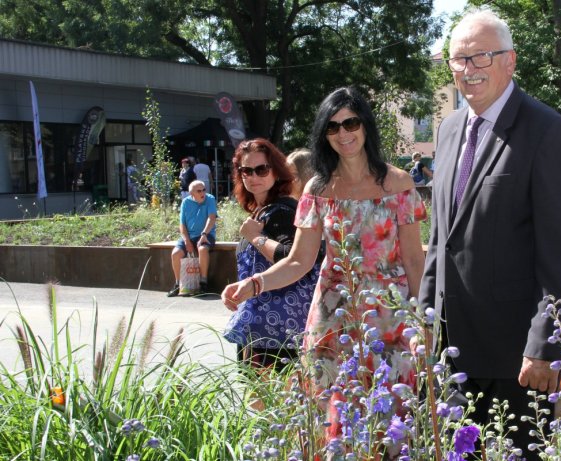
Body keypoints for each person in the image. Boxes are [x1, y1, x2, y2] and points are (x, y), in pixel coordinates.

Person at [222, 86, 427, 457]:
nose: (344, 133)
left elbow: (414, 261)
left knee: (393, 425)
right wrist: (253, 284)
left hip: (390, 319)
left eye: (350, 122)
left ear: (365, 125)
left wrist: (422, 323)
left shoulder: (399, 183)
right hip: (333, 321)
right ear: (324, 134)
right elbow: (299, 261)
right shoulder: (318, 189)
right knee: (329, 421)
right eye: (333, 127)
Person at [418, 8, 561, 458]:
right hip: (453, 352)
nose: (468, 70)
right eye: (458, 60)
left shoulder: (547, 131)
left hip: (519, 360)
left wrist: (547, 343)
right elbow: (441, 240)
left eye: (481, 58)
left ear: (510, 61)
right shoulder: (450, 129)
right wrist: (425, 323)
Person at [222, 139, 319, 370]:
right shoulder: (263, 211)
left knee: (267, 403)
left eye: (262, 169)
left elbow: (292, 257)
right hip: (259, 327)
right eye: (246, 171)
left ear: (276, 171)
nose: (253, 176)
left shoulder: (282, 211)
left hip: (278, 333)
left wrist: (256, 238)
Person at [167, 180, 217, 297]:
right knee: (175, 254)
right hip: (189, 236)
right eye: (199, 191)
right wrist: (186, 241)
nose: (202, 193)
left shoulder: (210, 199)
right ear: (192, 194)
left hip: (207, 234)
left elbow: (212, 218)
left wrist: (204, 234)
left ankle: (203, 283)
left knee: (202, 249)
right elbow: (182, 224)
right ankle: (178, 285)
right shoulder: (185, 202)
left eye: (204, 189)